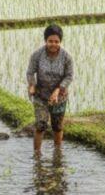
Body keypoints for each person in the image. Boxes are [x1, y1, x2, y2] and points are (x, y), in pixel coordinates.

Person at [27, 24, 73, 153]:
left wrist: (58, 90)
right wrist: (31, 85)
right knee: (41, 125)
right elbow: (30, 72)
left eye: (56, 41)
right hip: (41, 95)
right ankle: (37, 156)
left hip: (60, 97)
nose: (53, 44)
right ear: (45, 41)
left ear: (60, 42)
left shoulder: (66, 57)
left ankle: (57, 154)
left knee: (57, 127)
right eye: (50, 41)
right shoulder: (37, 55)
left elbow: (69, 76)